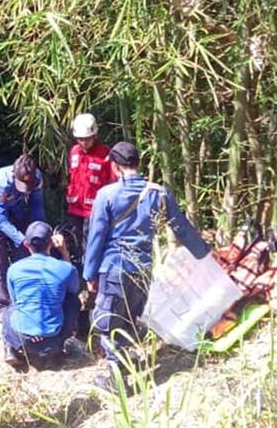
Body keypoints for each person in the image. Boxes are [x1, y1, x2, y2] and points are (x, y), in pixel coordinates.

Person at [84, 141, 211, 392]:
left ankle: (116, 381)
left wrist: (89, 274)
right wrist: (205, 254)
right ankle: (125, 363)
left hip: (114, 268)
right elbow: (182, 228)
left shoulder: (106, 195)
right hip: (142, 269)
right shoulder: (159, 193)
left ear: (115, 166)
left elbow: (96, 237)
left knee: (108, 323)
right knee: (129, 320)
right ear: (139, 163)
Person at [2, 221, 80, 367]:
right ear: (51, 243)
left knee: (8, 309)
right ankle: (61, 345)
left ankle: (10, 348)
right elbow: (74, 290)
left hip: (22, 339)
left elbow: (15, 300)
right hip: (53, 339)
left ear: (26, 244)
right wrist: (64, 251)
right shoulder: (66, 268)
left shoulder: (14, 269)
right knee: (73, 301)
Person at [0, 154, 45, 309]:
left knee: (24, 253)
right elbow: (1, 220)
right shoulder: (1, 182)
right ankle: (5, 303)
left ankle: (24, 295)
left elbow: (37, 208)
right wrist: (22, 239)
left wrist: (39, 233)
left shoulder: (37, 178)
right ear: (14, 174)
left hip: (17, 208)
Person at [65, 113, 114, 265]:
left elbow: (112, 181)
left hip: (93, 210)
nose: (83, 142)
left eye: (87, 139)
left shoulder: (105, 154)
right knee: (74, 242)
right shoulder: (74, 151)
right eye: (80, 139)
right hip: (75, 208)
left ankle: (90, 272)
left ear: (94, 135)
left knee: (90, 244)